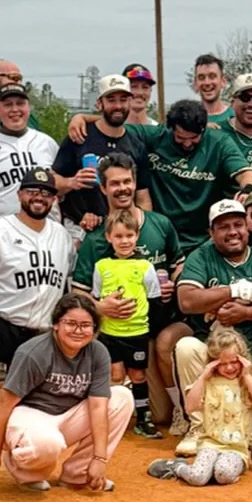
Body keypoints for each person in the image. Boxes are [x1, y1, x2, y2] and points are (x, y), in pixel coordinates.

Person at [0, 166, 76, 449]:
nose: (39, 197)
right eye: (33, 191)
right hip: (3, 323)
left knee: (36, 411)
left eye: (46, 193)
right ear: (20, 194)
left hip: (42, 332)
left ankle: (25, 418)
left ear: (54, 200)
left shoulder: (62, 237)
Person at [173, 198, 252, 446]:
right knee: (186, 346)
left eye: (238, 225)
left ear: (247, 227)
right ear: (211, 232)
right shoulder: (201, 257)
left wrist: (247, 313)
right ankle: (198, 427)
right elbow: (186, 300)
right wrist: (233, 290)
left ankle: (221, 429)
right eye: (223, 227)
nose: (232, 232)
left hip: (251, 365)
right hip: (211, 362)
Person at [0, 293, 132, 493]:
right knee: (48, 443)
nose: (78, 330)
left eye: (85, 325)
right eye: (70, 323)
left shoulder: (97, 352)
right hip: (30, 415)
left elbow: (98, 406)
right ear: (56, 324)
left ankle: (79, 473)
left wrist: (100, 458)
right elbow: (4, 404)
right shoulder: (34, 352)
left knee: (121, 398)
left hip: (67, 415)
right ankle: (25, 470)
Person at [70, 152, 184, 423]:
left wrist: (172, 285)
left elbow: (179, 263)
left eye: (127, 181)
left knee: (162, 416)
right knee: (150, 410)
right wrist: (99, 306)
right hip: (117, 331)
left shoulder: (160, 224)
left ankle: (181, 410)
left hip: (155, 329)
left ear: (135, 183)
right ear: (103, 187)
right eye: (114, 183)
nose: (122, 188)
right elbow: (78, 290)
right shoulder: (97, 238)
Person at [122, 99, 252, 254]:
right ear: (170, 128)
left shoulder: (219, 142)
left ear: (203, 129)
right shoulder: (155, 136)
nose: (187, 143)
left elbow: (246, 173)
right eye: (180, 138)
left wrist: (247, 189)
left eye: (193, 138)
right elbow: (113, 127)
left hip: (204, 239)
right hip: (164, 235)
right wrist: (86, 119)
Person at [147, 326, 252, 485]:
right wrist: (204, 376)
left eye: (234, 362)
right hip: (209, 444)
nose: (229, 368)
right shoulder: (209, 381)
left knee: (224, 474)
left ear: (243, 358)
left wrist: (247, 374)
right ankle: (177, 467)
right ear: (213, 362)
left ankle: (215, 470)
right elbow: (190, 407)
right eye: (222, 363)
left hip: (236, 449)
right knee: (198, 478)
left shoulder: (249, 379)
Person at [91, 210, 163, 438]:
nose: (124, 241)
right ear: (109, 237)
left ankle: (143, 417)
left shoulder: (144, 267)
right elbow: (96, 297)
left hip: (137, 332)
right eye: (119, 236)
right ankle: (113, 418)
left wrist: (151, 328)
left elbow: (154, 298)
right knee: (116, 374)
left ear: (137, 236)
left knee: (138, 376)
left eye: (129, 236)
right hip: (110, 332)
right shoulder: (101, 266)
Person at [52, 75, 151, 236]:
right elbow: (51, 182)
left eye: (123, 99)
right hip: (80, 228)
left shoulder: (136, 144)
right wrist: (71, 182)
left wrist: (144, 229)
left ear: (130, 102)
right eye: (111, 100)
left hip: (122, 231)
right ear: (99, 103)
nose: (118, 106)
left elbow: (143, 198)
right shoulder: (80, 135)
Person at [0, 82, 60, 223]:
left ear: (28, 108)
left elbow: (62, 189)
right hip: (1, 231)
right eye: (8, 104)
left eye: (20, 103)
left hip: (45, 228)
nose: (15, 109)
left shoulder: (46, 143)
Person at [193, 53, 231, 126]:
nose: (207, 83)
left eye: (212, 76)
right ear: (195, 84)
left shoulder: (235, 117)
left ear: (223, 81)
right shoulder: (187, 121)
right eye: (201, 77)